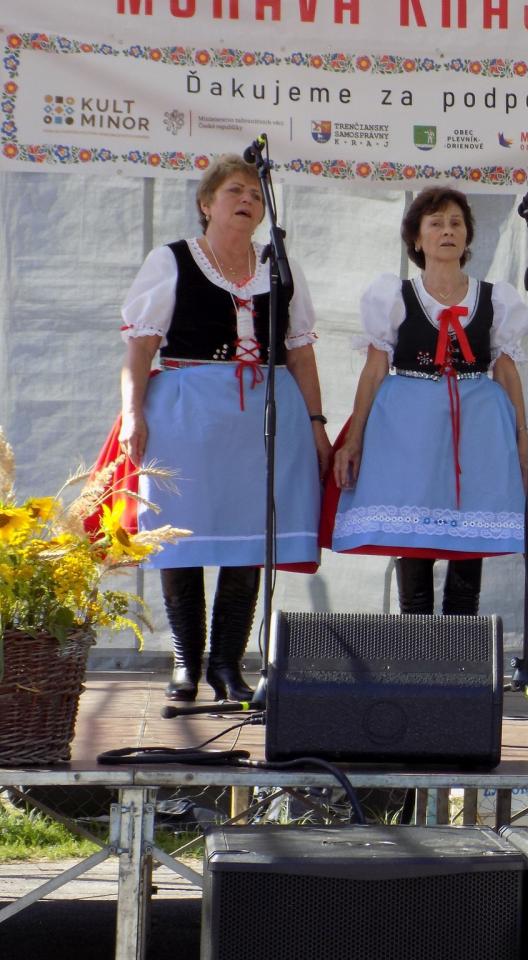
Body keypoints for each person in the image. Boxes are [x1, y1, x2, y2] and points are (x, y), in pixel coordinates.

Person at [115, 154, 330, 702]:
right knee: (180, 536)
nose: (247, 200)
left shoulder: (279, 267)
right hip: (186, 414)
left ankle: (227, 666)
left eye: (255, 195)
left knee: (249, 539)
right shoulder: (172, 260)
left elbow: (301, 354)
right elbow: (139, 348)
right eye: (235, 190)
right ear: (206, 203)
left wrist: (316, 424)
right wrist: (133, 414)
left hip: (263, 415)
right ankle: (186, 662)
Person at [322, 186, 528, 615]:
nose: (448, 231)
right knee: (412, 540)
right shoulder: (394, 296)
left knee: (471, 539)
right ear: (417, 239)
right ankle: (417, 647)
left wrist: (522, 437)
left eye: (456, 223)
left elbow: (506, 370)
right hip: (407, 428)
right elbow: (375, 369)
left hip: (478, 424)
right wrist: (354, 437)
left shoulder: (495, 298)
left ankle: (461, 647)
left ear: (468, 236)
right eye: (435, 223)